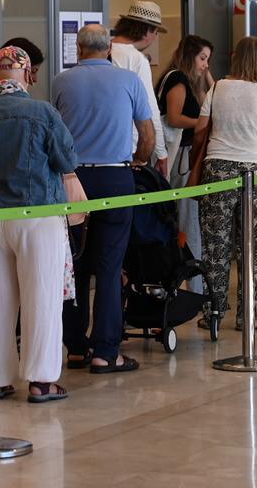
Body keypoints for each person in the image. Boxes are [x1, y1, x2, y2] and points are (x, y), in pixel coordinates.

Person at [0, 45, 78, 402]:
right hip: (38, 215)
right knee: (41, 298)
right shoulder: (42, 112)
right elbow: (66, 158)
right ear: (26, 74)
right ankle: (42, 381)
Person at [52, 24, 155, 374]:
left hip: (73, 178)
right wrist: (139, 160)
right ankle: (106, 351)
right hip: (115, 175)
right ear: (109, 47)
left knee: (75, 263)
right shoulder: (129, 81)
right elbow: (147, 134)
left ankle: (76, 348)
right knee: (110, 267)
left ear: (78, 49)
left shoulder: (61, 81)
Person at [192, 36, 257, 331]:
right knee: (252, 246)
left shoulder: (217, 88)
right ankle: (247, 316)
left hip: (217, 170)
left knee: (215, 245)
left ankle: (214, 313)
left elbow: (199, 131)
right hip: (255, 175)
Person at [156, 34, 214, 292]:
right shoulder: (177, 78)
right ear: (190, 55)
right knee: (187, 219)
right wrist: (203, 124)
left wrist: (207, 78)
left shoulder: (187, 80)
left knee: (185, 218)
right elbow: (175, 117)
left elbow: (208, 102)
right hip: (181, 157)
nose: (205, 65)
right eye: (202, 58)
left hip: (184, 155)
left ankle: (188, 284)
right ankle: (195, 287)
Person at [111, 1, 169, 177]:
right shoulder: (136, 60)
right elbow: (150, 109)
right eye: (156, 32)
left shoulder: (102, 50)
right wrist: (161, 153)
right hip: (128, 149)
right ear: (147, 31)